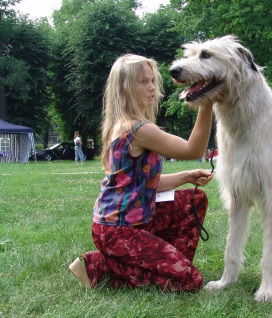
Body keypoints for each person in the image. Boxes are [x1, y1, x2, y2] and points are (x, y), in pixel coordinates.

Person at [69, 54, 214, 291]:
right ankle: (98, 266)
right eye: (142, 82)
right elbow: (194, 149)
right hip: (118, 230)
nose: (151, 88)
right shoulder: (138, 129)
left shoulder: (126, 124)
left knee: (194, 200)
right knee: (190, 282)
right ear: (125, 88)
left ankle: (169, 263)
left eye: (152, 81)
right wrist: (206, 100)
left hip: (134, 221)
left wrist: (186, 176)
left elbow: (145, 184)